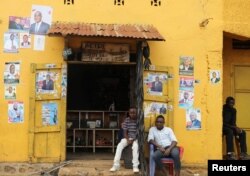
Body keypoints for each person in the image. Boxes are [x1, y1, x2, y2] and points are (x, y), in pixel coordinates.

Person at [110, 107, 139, 173]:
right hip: (128, 138)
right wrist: (128, 139)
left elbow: (138, 133)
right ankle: (116, 165)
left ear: (136, 113)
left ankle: (135, 166)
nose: (132, 114)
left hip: (135, 139)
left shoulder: (138, 121)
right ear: (129, 113)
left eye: (134, 113)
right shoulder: (127, 120)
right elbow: (125, 132)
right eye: (131, 113)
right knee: (120, 145)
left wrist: (133, 140)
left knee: (135, 147)